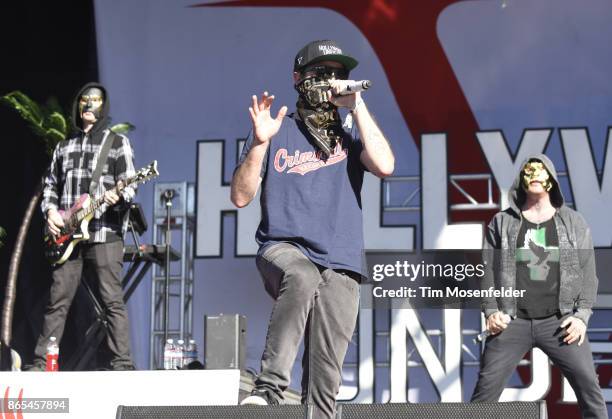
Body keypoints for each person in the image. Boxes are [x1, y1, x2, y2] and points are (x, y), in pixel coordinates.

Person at [232, 40, 394, 418]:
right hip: (284, 247)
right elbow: (241, 196)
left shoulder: (350, 134)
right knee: (302, 275)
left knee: (324, 389)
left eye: (338, 75)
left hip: (341, 261)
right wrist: (259, 141)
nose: (330, 81)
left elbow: (385, 165)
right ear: (298, 78)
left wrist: (358, 105)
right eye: (321, 73)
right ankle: (269, 387)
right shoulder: (276, 130)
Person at [471, 154, 607, 418]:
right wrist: (491, 312)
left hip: (561, 321)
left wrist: (581, 317)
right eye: (529, 170)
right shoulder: (502, 221)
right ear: (521, 179)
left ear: (551, 180)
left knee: (591, 393)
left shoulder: (573, 221)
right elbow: (486, 270)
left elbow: (589, 274)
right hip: (512, 322)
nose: (534, 175)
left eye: (541, 170)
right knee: (482, 399)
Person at [30, 82, 137, 371]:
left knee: (111, 299)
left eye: (96, 100)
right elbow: (50, 186)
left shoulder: (117, 144)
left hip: (104, 231)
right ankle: (41, 363)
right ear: (78, 105)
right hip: (67, 236)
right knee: (57, 300)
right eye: (84, 100)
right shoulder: (64, 147)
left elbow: (129, 187)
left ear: (104, 106)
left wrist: (118, 195)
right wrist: (51, 211)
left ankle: (122, 365)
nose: (89, 105)